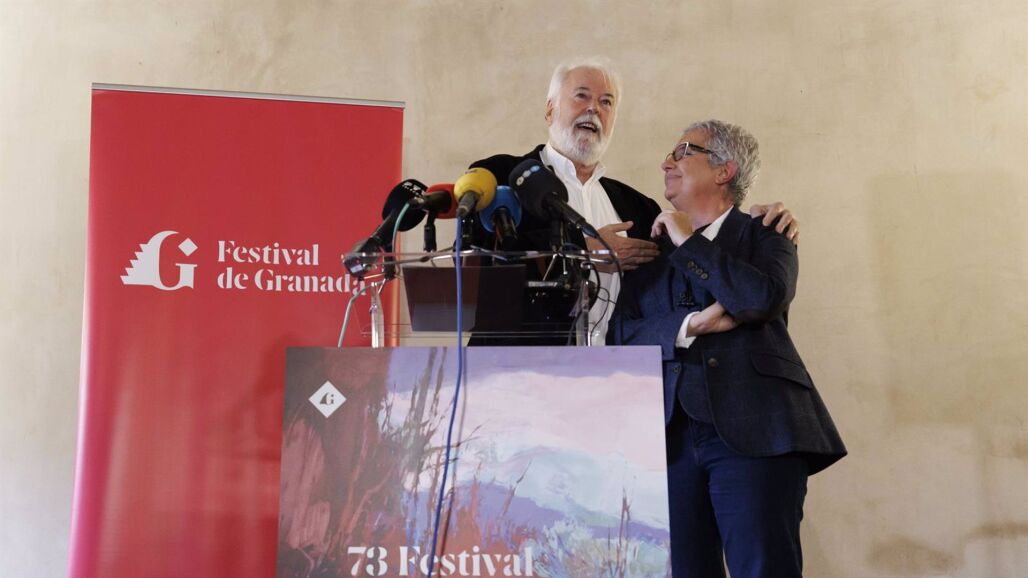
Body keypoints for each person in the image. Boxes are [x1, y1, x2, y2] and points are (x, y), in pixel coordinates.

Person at [607, 120, 847, 578]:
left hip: (759, 432)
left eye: (683, 151)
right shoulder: (650, 251)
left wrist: (688, 241)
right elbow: (621, 334)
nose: (666, 162)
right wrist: (690, 325)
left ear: (724, 170)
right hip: (669, 441)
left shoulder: (767, 233)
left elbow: (760, 298)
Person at [468, 57, 799, 344]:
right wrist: (583, 251)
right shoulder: (502, 176)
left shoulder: (638, 208)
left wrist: (758, 219)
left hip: (621, 374)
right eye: (581, 96)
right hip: (517, 371)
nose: (593, 108)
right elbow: (475, 262)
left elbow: (689, 271)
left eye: (606, 102)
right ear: (550, 108)